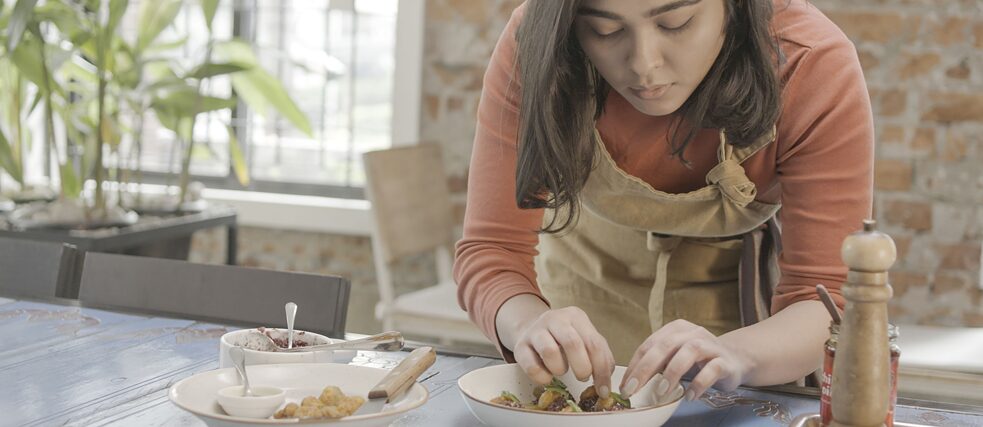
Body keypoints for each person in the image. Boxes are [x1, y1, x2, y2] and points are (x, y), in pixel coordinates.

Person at [454, 0, 873, 403]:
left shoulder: (810, 63)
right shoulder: (539, 44)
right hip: (579, 281)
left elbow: (829, 301)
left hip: (737, 313)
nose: (644, 64)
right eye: (605, 29)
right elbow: (492, 252)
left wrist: (738, 355)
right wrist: (530, 323)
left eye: (675, 23)